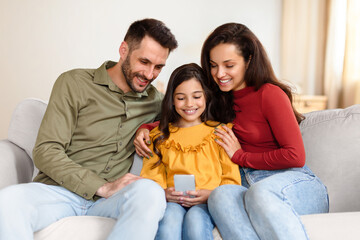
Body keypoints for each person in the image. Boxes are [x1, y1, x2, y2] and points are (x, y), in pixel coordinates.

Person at [134, 23, 329, 240]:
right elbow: (186, 119)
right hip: (245, 185)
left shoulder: (269, 94)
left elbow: (295, 156)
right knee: (221, 195)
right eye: (213, 65)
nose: (219, 73)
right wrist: (146, 128)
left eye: (229, 65)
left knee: (260, 193)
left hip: (288, 182)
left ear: (249, 60)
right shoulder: (218, 98)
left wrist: (240, 156)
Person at [0, 18, 177, 240]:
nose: (150, 74)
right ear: (123, 50)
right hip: (59, 191)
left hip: (109, 202)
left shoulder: (157, 102)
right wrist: (102, 186)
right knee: (6, 202)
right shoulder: (74, 83)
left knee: (150, 192)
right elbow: (47, 150)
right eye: (144, 62)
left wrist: (147, 127)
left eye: (158, 67)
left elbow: (192, 121)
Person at [140, 63, 241, 240]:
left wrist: (210, 195)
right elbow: (151, 176)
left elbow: (231, 179)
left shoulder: (220, 133)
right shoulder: (158, 137)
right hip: (172, 202)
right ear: (171, 99)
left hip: (208, 202)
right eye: (181, 98)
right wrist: (164, 193)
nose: (189, 104)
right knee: (169, 221)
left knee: (195, 221)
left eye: (196, 96)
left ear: (206, 97)